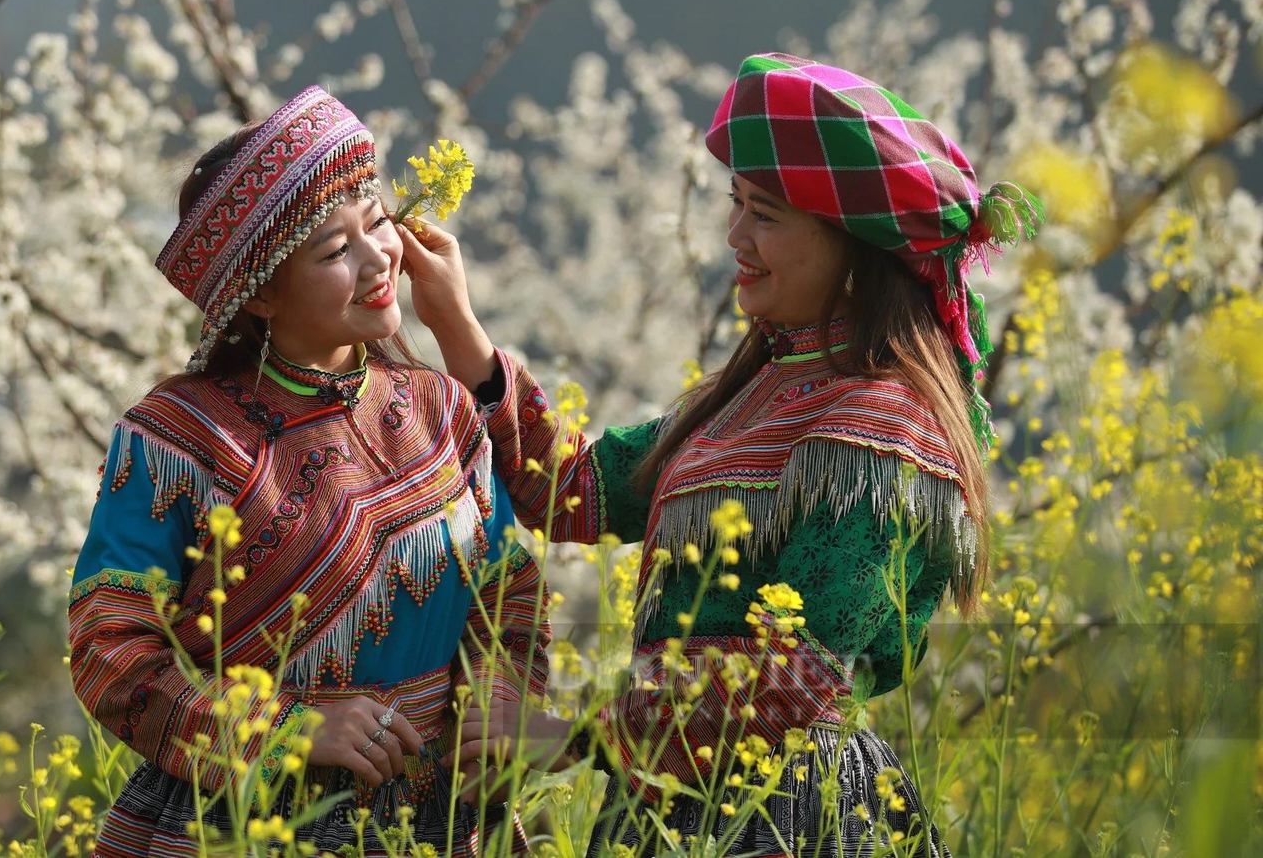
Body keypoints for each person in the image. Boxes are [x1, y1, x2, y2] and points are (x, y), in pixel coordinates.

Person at [448, 54, 1041, 856]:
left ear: (850, 241)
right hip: (673, 804)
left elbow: (799, 676)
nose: (734, 237)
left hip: (791, 810)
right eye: (736, 205)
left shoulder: (883, 428)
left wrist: (572, 735)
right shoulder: (746, 397)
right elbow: (576, 491)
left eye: (764, 214)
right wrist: (459, 328)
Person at [68, 86, 560, 858]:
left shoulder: (442, 409)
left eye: (376, 226)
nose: (377, 262)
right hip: (247, 821)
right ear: (260, 293)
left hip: (439, 817)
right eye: (335, 252)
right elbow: (109, 647)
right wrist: (286, 729)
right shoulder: (178, 441)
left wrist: (500, 701)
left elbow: (509, 591)